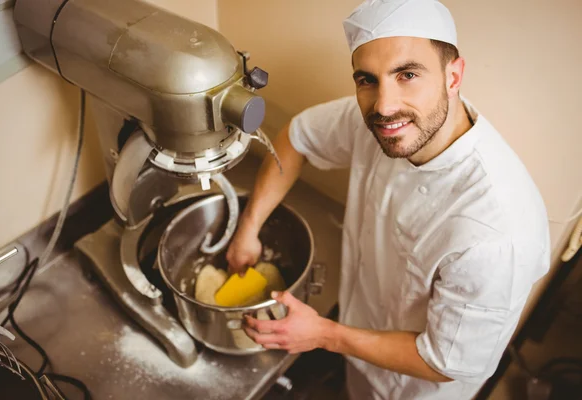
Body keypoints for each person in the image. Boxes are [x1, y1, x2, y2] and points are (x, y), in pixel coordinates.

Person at [226, 0, 551, 398]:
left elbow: (444, 361)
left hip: (413, 386)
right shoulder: (381, 122)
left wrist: (326, 335)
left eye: (408, 74)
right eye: (367, 80)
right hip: (355, 334)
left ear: (454, 76)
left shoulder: (496, 228)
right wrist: (249, 227)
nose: (384, 106)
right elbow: (298, 137)